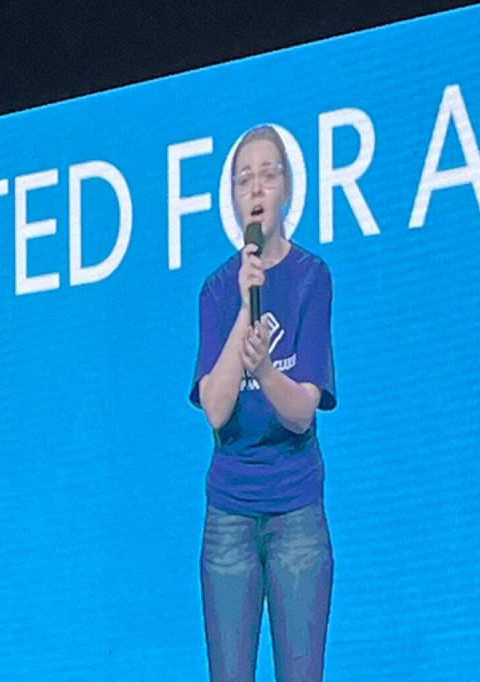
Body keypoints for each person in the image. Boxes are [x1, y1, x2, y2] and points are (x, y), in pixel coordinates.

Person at [190, 125, 337, 681]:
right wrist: (242, 316)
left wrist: (266, 369)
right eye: (244, 178)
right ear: (232, 198)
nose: (256, 187)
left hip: (296, 511)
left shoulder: (311, 279)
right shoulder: (217, 289)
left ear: (288, 188)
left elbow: (301, 413)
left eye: (267, 174)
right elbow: (217, 409)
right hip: (228, 514)